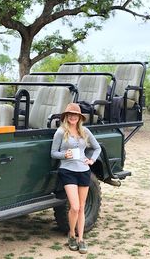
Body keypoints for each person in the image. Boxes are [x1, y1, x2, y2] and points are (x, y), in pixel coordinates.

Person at [51, 103, 101, 253]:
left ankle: (81, 238)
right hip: (67, 171)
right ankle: (71, 234)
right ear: (66, 117)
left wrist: (91, 160)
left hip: (84, 171)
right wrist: (64, 155)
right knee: (75, 206)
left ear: (79, 117)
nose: (73, 117)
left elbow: (97, 147)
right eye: (70, 115)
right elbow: (53, 153)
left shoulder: (84, 131)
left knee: (81, 207)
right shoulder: (60, 132)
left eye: (76, 115)